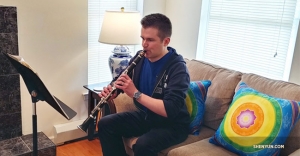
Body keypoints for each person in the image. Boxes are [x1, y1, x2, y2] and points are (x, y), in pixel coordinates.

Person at [98, 13, 190, 156]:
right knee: (105, 123)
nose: (144, 44)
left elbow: (170, 109)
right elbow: (122, 78)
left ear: (166, 41)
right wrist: (114, 90)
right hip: (147, 116)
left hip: (172, 125)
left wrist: (135, 93)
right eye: (142, 38)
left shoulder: (177, 68)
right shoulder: (141, 57)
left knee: (142, 145)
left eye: (150, 40)